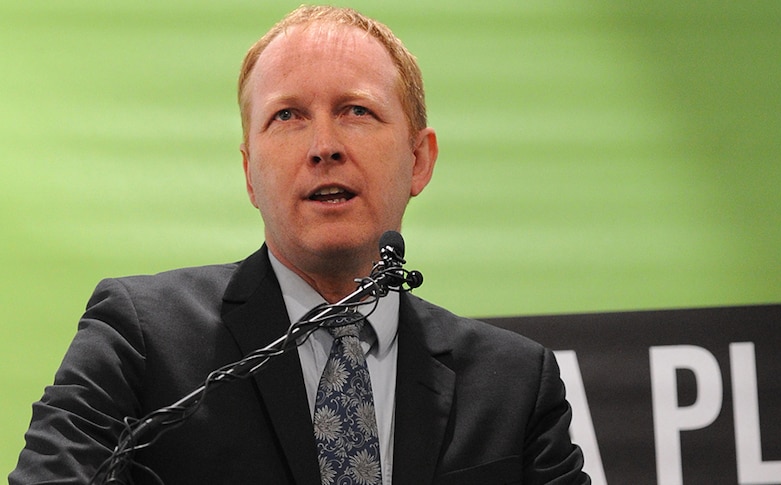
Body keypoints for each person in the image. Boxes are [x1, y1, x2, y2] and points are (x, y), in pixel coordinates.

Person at [10, 5, 589, 484]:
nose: (323, 146)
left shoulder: (514, 384)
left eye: (356, 111)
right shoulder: (140, 339)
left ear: (419, 160)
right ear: (248, 175)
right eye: (287, 116)